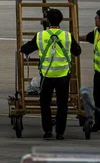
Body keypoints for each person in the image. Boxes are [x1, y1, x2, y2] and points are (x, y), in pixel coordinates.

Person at [20, 8, 82, 140]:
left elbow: (26, 49)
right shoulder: (67, 36)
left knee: (45, 104)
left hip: (47, 76)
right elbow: (77, 51)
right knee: (62, 104)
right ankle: (60, 132)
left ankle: (48, 131)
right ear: (61, 20)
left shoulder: (41, 35)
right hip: (63, 75)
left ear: (47, 21)